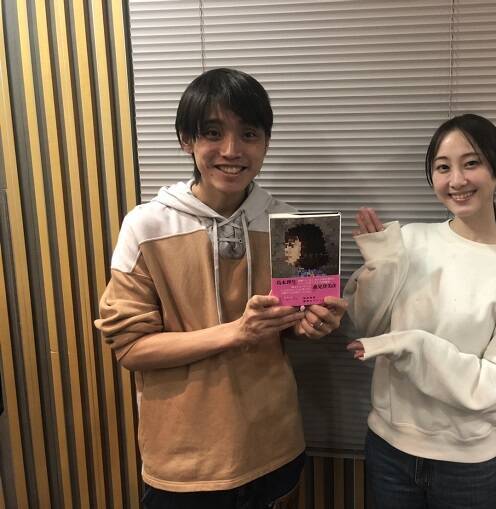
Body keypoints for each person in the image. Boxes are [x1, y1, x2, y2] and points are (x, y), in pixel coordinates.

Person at [96, 67, 347, 508]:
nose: (231, 150)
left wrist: (312, 325)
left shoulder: (292, 224)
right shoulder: (146, 225)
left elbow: (292, 324)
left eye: (248, 134)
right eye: (213, 133)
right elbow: (130, 348)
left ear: (265, 142)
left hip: (275, 445)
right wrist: (236, 332)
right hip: (184, 462)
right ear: (186, 139)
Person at [344, 114, 496, 509]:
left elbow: (493, 385)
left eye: (471, 163)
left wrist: (413, 345)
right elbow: (367, 325)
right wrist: (381, 265)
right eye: (443, 167)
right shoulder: (410, 240)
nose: (457, 180)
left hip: (469, 465)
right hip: (388, 448)